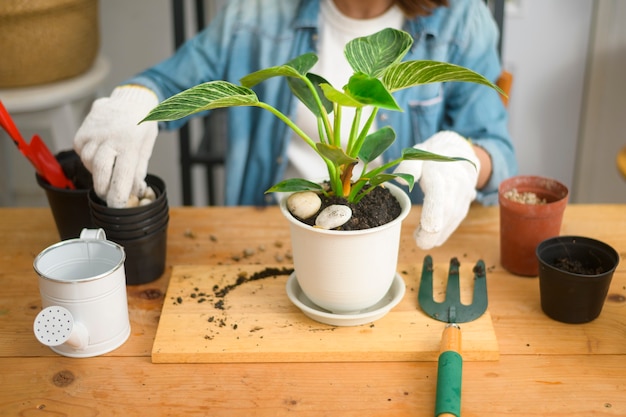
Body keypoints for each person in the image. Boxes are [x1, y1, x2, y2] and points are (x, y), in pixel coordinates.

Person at [74, 0, 517, 249]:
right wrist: (137, 100)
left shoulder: (461, 18)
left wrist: (463, 160)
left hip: (397, 246)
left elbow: (495, 146)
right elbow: (170, 80)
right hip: (269, 236)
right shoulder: (258, 11)